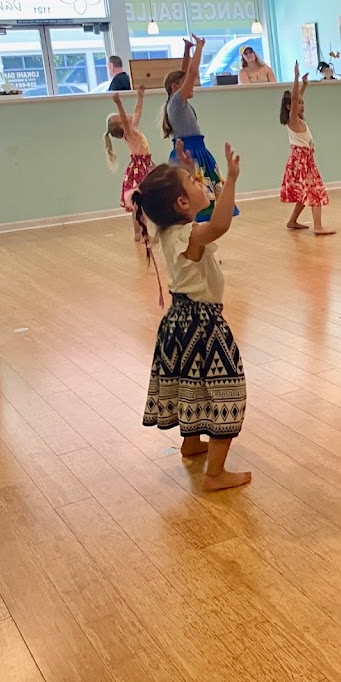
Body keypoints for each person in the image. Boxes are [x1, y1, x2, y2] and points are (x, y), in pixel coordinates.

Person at [134, 144, 250, 491]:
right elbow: (218, 225)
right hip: (202, 324)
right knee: (226, 392)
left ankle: (191, 442)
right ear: (181, 204)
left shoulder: (172, 231)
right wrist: (229, 182)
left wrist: (184, 168)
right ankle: (215, 474)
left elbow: (200, 214)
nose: (200, 182)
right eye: (193, 182)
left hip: (180, 320)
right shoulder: (190, 235)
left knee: (194, 385)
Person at [162, 35, 237, 222]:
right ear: (175, 87)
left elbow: (186, 72)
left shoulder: (177, 103)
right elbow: (192, 72)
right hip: (189, 152)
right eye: (186, 82)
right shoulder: (176, 103)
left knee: (206, 192)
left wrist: (187, 50)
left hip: (197, 149)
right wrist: (200, 47)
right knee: (194, 191)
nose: (192, 84)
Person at [280, 61, 334, 235]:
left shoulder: (298, 119)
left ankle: (292, 221)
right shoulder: (293, 120)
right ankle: (318, 227)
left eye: (303, 103)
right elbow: (295, 98)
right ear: (290, 107)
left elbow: (297, 98)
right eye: (299, 104)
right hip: (301, 160)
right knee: (316, 191)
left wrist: (304, 85)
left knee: (305, 192)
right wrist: (295, 78)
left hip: (304, 159)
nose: (302, 105)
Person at [104, 87, 152, 241]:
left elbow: (137, 112)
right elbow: (126, 120)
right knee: (139, 205)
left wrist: (140, 96)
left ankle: (141, 232)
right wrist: (118, 104)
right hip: (139, 169)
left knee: (142, 204)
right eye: (121, 117)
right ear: (121, 126)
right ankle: (140, 233)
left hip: (145, 165)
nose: (125, 116)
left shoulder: (133, 130)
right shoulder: (129, 134)